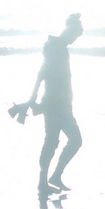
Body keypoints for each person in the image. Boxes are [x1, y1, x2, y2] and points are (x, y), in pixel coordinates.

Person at [27, 13, 83, 192]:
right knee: (56, 141)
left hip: (63, 104)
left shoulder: (60, 47)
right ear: (69, 31)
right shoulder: (55, 47)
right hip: (54, 104)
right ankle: (45, 181)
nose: (74, 40)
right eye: (75, 36)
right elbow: (41, 72)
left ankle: (53, 177)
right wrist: (33, 98)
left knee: (67, 141)